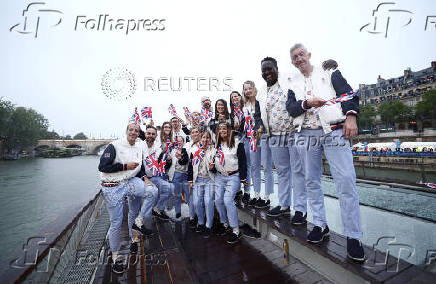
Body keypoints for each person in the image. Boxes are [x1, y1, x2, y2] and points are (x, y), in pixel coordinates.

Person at [286, 43, 364, 261]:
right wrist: (306, 103)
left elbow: (349, 93)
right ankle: (320, 224)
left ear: (309, 55)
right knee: (312, 180)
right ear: (292, 61)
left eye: (301, 54)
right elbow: (291, 109)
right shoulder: (292, 82)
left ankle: (353, 235)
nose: (299, 58)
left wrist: (351, 116)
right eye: (294, 57)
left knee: (346, 180)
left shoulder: (329, 72)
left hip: (334, 131)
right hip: (308, 134)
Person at [98, 122, 158, 274]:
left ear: (139, 133)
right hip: (112, 185)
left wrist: (144, 178)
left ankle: (137, 227)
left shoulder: (139, 146)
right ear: (126, 131)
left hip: (130, 181)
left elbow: (139, 166)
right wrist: (124, 166)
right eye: (131, 130)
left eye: (136, 131)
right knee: (116, 222)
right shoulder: (114, 145)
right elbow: (102, 166)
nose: (133, 132)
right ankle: (115, 256)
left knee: (152, 191)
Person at [258, 57, 307, 221]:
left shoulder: (288, 80)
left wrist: (327, 69)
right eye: (264, 70)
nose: (267, 72)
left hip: (293, 133)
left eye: (269, 68)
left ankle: (300, 209)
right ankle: (284, 205)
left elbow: (305, 73)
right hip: (275, 136)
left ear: (277, 68)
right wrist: (260, 125)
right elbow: (259, 114)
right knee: (282, 172)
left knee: (298, 171)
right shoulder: (263, 91)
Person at [214, 122, 247, 244]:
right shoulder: (216, 144)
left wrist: (243, 178)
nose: (222, 130)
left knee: (228, 200)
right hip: (219, 176)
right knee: (218, 200)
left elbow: (243, 162)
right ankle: (224, 223)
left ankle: (236, 229)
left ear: (229, 130)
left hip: (233, 175)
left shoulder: (237, 142)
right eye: (220, 129)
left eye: (224, 128)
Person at [242, 80, 273, 209]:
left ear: (254, 88)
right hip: (252, 138)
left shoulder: (261, 100)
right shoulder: (245, 106)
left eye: (250, 88)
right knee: (254, 167)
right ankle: (256, 195)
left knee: (266, 166)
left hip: (263, 135)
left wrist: (260, 130)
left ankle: (267, 197)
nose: (248, 91)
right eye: (245, 89)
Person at [142, 125, 174, 221]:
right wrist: (144, 177)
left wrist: (168, 161)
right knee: (152, 192)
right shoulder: (139, 146)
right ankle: (141, 219)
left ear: (156, 135)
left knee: (168, 187)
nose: (150, 135)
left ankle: (158, 209)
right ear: (145, 134)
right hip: (140, 177)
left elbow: (162, 165)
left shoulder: (158, 147)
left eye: (153, 134)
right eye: (148, 133)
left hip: (153, 176)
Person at [187, 130, 216, 238]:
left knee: (208, 202)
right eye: (203, 137)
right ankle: (201, 223)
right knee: (196, 202)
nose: (205, 139)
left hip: (209, 180)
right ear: (200, 138)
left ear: (210, 139)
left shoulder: (214, 151)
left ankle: (209, 226)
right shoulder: (194, 150)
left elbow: (217, 168)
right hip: (198, 180)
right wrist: (190, 181)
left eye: (207, 138)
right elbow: (190, 167)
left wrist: (213, 168)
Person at [167, 136, 190, 220]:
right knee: (177, 195)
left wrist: (181, 157)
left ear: (183, 142)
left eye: (181, 141)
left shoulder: (186, 151)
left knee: (188, 195)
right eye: (177, 141)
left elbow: (185, 161)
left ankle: (192, 213)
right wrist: (168, 160)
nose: (179, 142)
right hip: (175, 175)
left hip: (185, 175)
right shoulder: (172, 151)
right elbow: (168, 164)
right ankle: (178, 212)